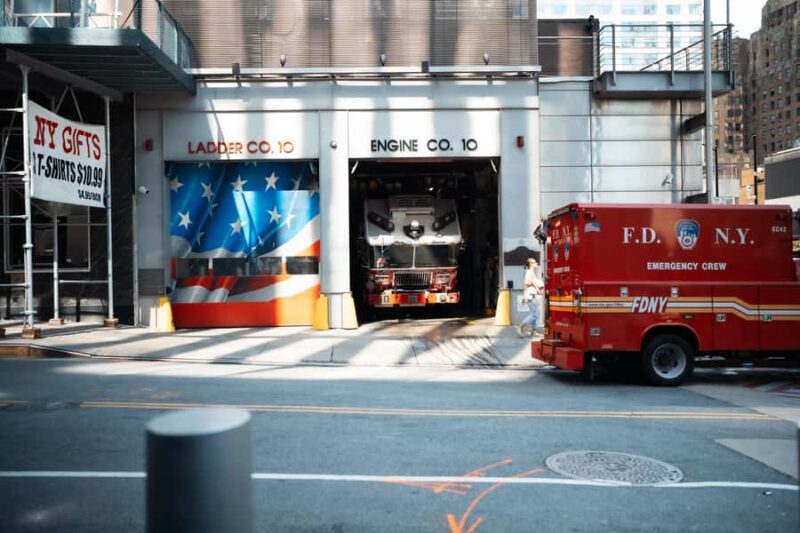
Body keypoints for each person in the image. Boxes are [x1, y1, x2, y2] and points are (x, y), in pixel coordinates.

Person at [518, 257, 544, 336]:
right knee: (535, 314)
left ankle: (533, 331)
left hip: (532, 295)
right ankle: (521, 326)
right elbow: (526, 284)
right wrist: (524, 296)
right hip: (530, 296)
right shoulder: (529, 272)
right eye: (535, 262)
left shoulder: (531, 272)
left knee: (536, 313)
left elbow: (529, 284)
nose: (536, 263)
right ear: (531, 264)